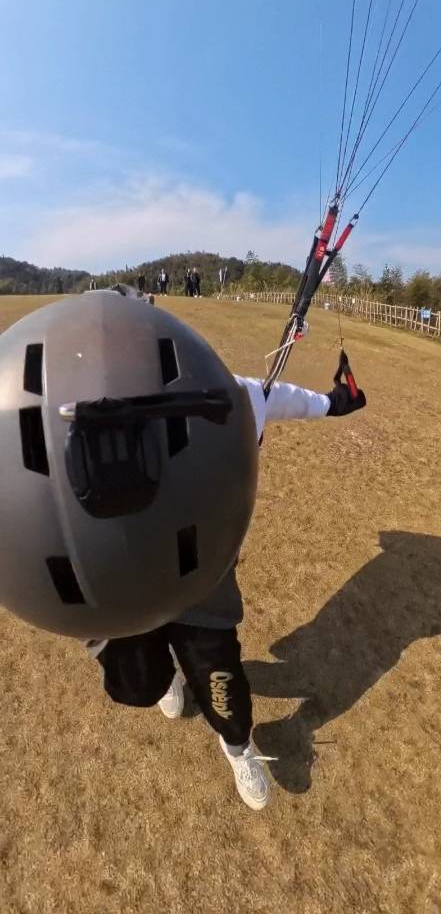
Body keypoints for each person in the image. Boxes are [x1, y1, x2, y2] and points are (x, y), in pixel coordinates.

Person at [0, 287, 366, 812]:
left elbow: (274, 396)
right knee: (138, 684)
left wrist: (333, 403)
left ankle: (237, 746)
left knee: (220, 676)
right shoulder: (27, 418)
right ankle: (163, 674)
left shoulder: (219, 395)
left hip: (200, 573)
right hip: (107, 589)